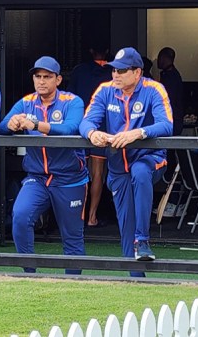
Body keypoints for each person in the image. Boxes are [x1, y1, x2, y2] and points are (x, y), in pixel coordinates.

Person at [79, 47, 173, 263]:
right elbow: (86, 121)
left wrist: (138, 133)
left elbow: (166, 125)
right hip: (118, 163)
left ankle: (143, 240)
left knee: (140, 173)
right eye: (114, 70)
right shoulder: (105, 90)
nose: (115, 75)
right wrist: (92, 133)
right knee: (125, 222)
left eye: (121, 71)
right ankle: (134, 278)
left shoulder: (154, 89)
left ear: (137, 72)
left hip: (149, 158)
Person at [0, 56, 88, 274]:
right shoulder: (26, 102)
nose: (41, 81)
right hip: (37, 177)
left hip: (69, 178)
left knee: (72, 237)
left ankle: (73, 285)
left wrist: (37, 124)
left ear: (58, 80)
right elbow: (0, 127)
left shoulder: (72, 101)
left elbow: (71, 129)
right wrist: (10, 124)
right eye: (37, 76)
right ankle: (30, 275)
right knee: (20, 217)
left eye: (47, 77)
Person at [67, 47, 112, 228]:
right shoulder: (112, 72)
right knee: (98, 174)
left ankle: (80, 216)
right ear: (107, 50)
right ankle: (92, 217)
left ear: (91, 50)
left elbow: (69, 97)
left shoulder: (79, 70)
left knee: (80, 173)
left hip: (81, 126)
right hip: (103, 128)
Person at [156, 46, 183, 136]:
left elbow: (169, 98)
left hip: (172, 117)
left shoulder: (172, 77)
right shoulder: (166, 74)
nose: (158, 61)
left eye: (159, 57)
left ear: (165, 58)